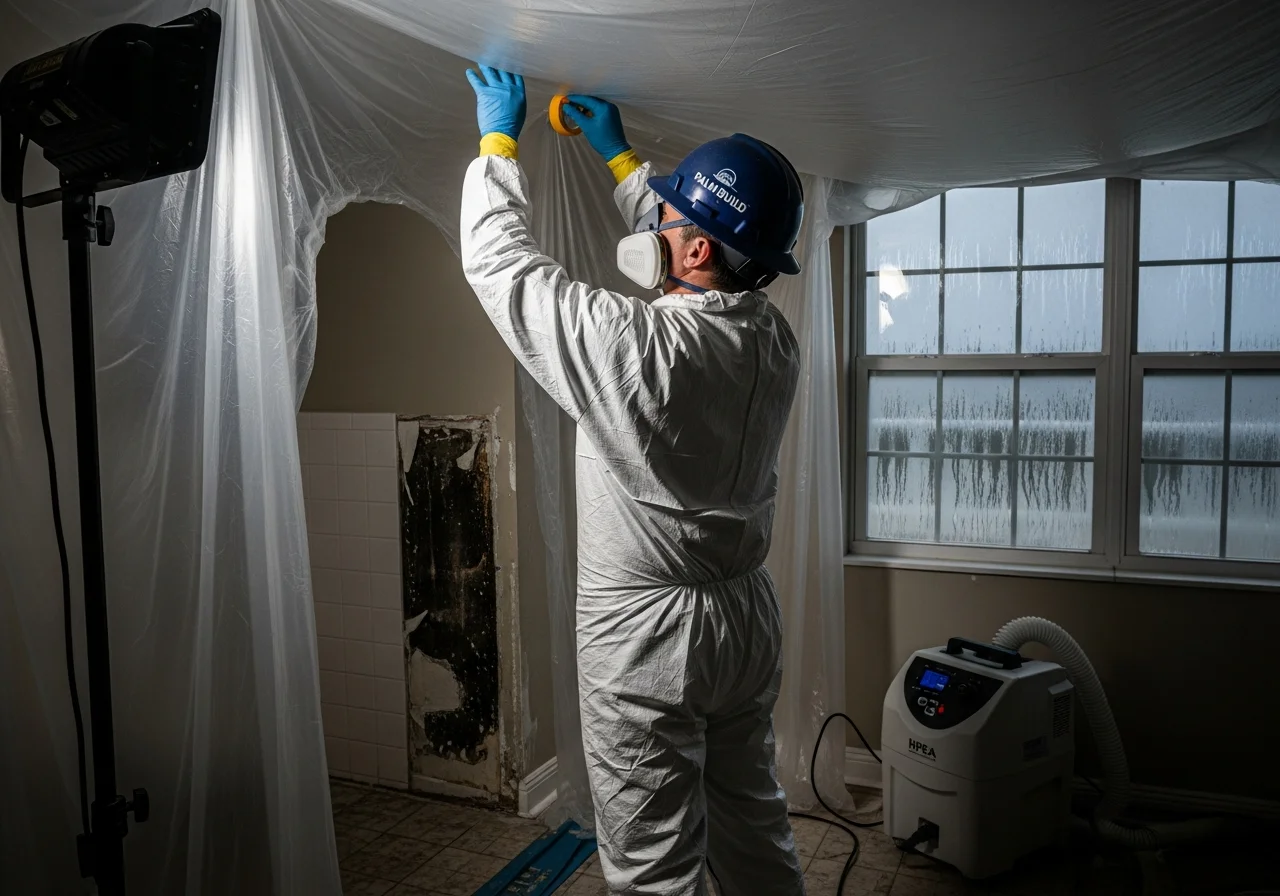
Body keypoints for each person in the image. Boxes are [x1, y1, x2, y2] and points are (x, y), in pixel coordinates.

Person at [461, 65, 807, 896]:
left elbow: (503, 270)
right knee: (749, 819)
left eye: (671, 211)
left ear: (694, 250)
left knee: (654, 863)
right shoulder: (773, 340)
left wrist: (497, 143)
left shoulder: (637, 350)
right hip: (742, 617)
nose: (656, 218)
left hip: (648, 637)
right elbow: (687, 246)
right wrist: (620, 162)